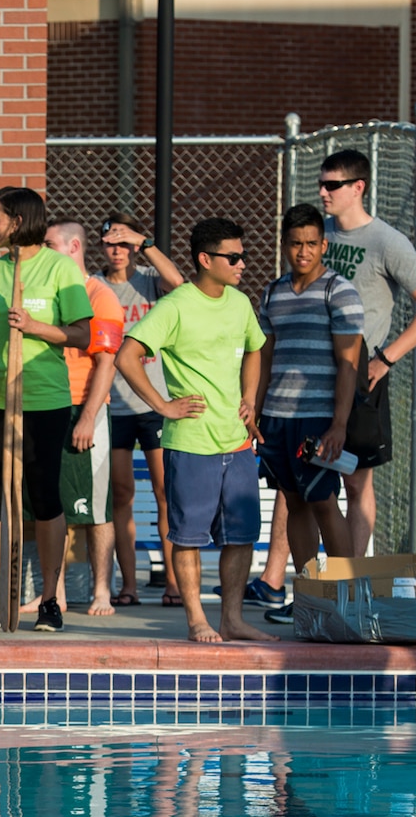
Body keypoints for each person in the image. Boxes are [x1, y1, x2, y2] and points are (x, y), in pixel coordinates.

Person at [116, 217, 272, 645]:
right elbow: (127, 357)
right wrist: (163, 405)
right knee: (188, 537)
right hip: (192, 444)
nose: (242, 264)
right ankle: (197, 620)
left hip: (237, 442)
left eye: (243, 256)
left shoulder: (240, 303)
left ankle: (233, 619)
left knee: (240, 538)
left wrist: (250, 399)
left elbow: (256, 348)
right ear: (206, 259)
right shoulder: (176, 305)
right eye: (233, 257)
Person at [0, 187, 94, 634]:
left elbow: (82, 335)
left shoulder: (59, 270)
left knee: (44, 496)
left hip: (43, 399)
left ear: (16, 220)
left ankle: (51, 600)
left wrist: (35, 327)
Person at [319, 148, 416, 552]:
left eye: (332, 185)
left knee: (355, 479)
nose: (323, 192)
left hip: (359, 374)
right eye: (321, 184)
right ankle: (277, 581)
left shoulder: (386, 241)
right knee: (304, 479)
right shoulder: (319, 234)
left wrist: (385, 358)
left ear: (358, 188)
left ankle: (352, 576)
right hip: (312, 370)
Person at [254, 204, 363, 626]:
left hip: (318, 419)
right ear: (284, 245)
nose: (303, 252)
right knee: (293, 501)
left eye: (311, 244)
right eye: (295, 244)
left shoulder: (339, 290)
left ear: (324, 245)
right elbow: (264, 359)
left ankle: (349, 596)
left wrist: (338, 424)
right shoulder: (272, 293)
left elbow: (349, 363)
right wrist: (257, 413)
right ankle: (309, 597)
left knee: (323, 501)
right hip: (277, 419)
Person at [100, 212, 184, 606]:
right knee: (121, 494)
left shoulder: (149, 280)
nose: (117, 251)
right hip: (114, 405)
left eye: (124, 243)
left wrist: (144, 240)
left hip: (154, 402)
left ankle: (173, 582)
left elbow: (180, 284)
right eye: (110, 243)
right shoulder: (96, 287)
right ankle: (128, 584)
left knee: (166, 491)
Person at [47, 219, 125, 618]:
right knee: (49, 506)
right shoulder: (49, 293)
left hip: (83, 407)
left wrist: (88, 417)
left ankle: (101, 592)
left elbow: (107, 362)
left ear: (73, 247)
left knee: (96, 509)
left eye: (49, 245)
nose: (41, 253)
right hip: (49, 407)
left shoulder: (99, 295)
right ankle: (54, 595)